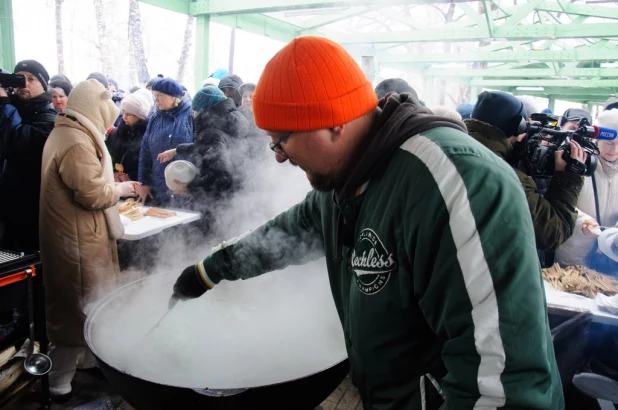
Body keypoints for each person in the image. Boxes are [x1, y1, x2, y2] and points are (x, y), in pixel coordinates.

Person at [170, 36, 563, 409]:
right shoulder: (345, 181)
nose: (278, 157)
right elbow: (289, 231)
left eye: (280, 140)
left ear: (333, 123)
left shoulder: (458, 183)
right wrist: (209, 271)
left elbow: (501, 387)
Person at [39, 79, 138, 399]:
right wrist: (120, 189)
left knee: (87, 304)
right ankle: (58, 382)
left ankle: (84, 361)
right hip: (77, 240)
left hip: (78, 234)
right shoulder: (76, 142)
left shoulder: (69, 132)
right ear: (94, 110)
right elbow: (92, 194)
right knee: (75, 308)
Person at [466, 91, 586, 253]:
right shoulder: (507, 177)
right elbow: (553, 232)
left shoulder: (454, 152)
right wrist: (569, 178)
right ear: (519, 126)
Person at [158, 86, 249, 228]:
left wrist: (191, 187)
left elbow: (222, 175)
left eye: (194, 110)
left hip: (219, 205)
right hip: (239, 199)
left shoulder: (210, 133)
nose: (193, 114)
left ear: (203, 110)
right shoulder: (230, 123)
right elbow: (214, 148)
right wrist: (177, 150)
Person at [0, 59, 57, 252]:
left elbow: (16, 143)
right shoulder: (11, 108)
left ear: (43, 84)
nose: (24, 84)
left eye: (31, 79)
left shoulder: (50, 118)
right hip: (6, 205)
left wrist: (3, 103)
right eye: (19, 78)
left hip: (31, 207)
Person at [555, 109, 618, 272]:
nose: (615, 149)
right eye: (609, 143)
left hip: (610, 254)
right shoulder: (579, 163)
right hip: (574, 252)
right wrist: (583, 222)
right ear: (596, 140)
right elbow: (561, 200)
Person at [138, 78, 193, 204]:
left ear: (173, 97)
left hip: (185, 186)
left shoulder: (190, 115)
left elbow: (199, 148)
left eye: (159, 95)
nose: (155, 100)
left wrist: (194, 186)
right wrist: (144, 182)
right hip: (159, 187)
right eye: (154, 96)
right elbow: (145, 152)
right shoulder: (154, 118)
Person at [106, 91, 153, 182]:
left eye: (128, 114)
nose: (124, 117)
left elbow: (149, 165)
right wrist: (113, 172)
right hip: (113, 182)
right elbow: (107, 156)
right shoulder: (115, 133)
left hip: (136, 185)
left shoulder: (148, 137)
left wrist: (131, 176)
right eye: (123, 113)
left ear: (139, 116)